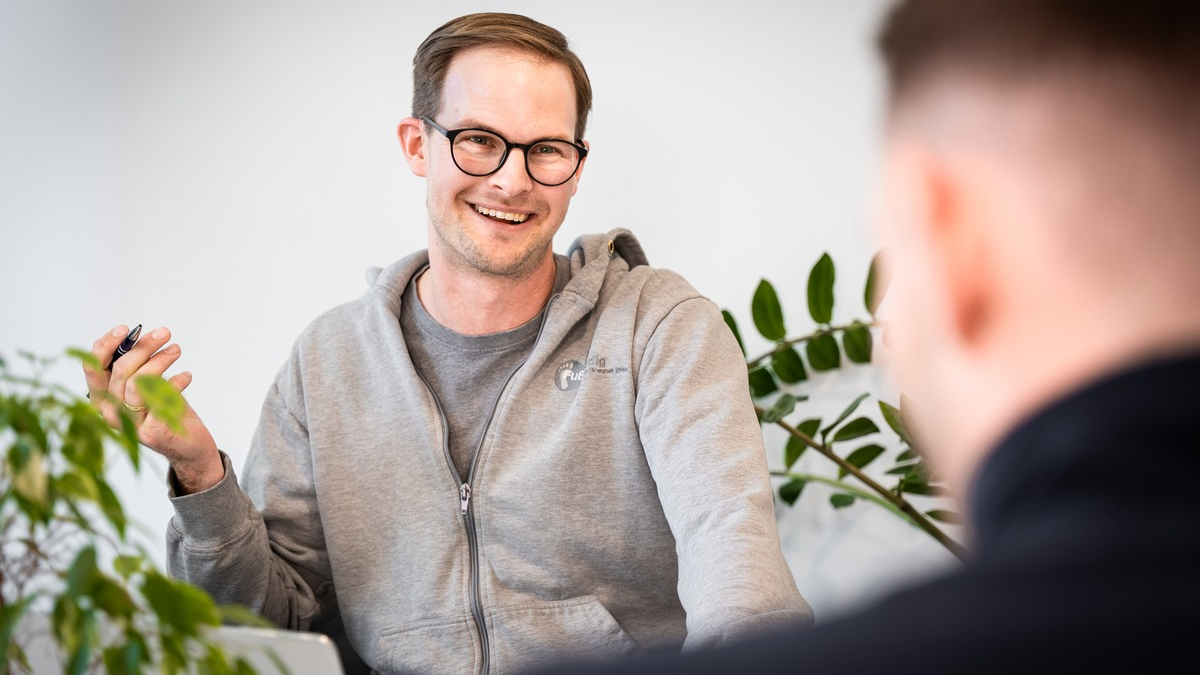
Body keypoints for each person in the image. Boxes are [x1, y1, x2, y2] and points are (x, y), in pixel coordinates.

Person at [82, 12, 812, 675]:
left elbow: (735, 563)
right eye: (479, 141)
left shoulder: (661, 326)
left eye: (546, 150)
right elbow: (269, 631)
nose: (513, 181)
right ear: (417, 144)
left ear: (577, 166)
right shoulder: (328, 362)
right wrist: (199, 472)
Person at [530, 0, 1200, 673]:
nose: (884, 338)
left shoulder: (662, 318)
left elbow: (729, 548)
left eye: (890, 246)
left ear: (950, 233)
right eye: (480, 141)